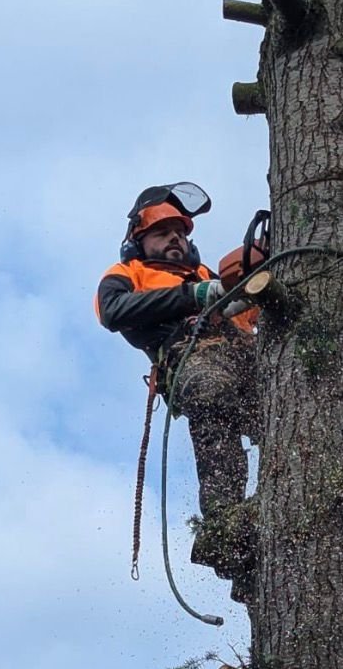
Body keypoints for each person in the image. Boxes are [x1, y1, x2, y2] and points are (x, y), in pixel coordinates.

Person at [95, 184, 258, 566]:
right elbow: (112, 311)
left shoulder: (206, 274)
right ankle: (224, 524)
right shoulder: (128, 273)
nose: (174, 239)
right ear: (138, 240)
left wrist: (254, 283)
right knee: (210, 394)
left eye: (180, 233)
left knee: (291, 407)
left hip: (247, 358)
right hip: (191, 358)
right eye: (162, 232)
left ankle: (281, 506)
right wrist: (193, 297)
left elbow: (250, 312)